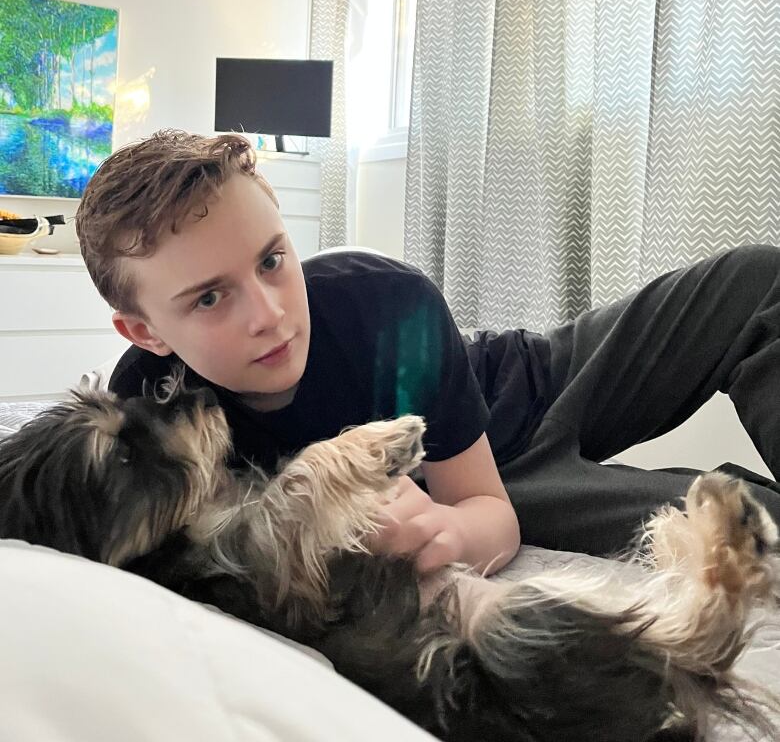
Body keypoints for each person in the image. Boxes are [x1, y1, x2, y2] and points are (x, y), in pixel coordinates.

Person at [75, 130, 780, 574]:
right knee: (751, 532)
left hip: (525, 380)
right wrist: (447, 532)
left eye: (271, 260)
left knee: (757, 281)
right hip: (498, 479)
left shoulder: (384, 298)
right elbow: (488, 512)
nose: (271, 314)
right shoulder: (149, 418)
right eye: (208, 297)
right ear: (146, 332)